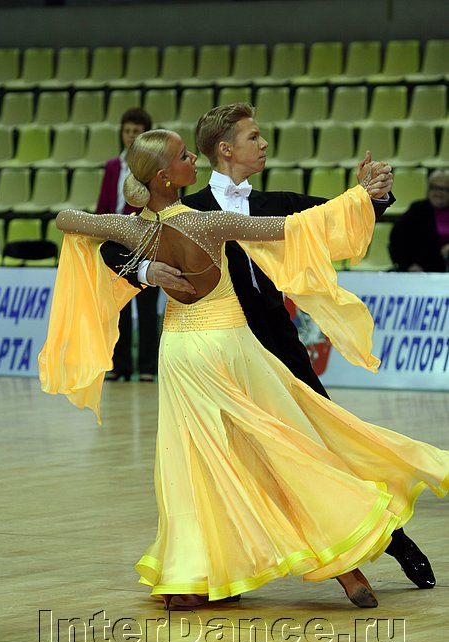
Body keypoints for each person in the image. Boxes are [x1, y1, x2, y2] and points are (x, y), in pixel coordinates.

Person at [39, 129, 449, 611]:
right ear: (167, 177)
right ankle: (345, 568)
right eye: (184, 155)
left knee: (195, 465)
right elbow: (295, 228)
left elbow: (67, 219)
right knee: (285, 450)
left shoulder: (134, 229)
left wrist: (147, 266)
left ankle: (194, 574)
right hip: (231, 346)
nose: (193, 158)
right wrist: (356, 197)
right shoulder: (210, 222)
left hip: (182, 354)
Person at [97, 107, 159, 382]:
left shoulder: (154, 167)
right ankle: (119, 365)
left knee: (146, 308)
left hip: (145, 241)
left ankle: (147, 367)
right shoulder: (113, 166)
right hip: (116, 243)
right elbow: (103, 204)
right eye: (127, 131)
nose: (131, 136)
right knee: (117, 307)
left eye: (137, 131)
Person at [389, 169, 449, 272]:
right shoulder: (417, 210)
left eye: (443, 189)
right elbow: (397, 239)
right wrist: (408, 264)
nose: (438, 193)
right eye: (433, 188)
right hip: (424, 270)